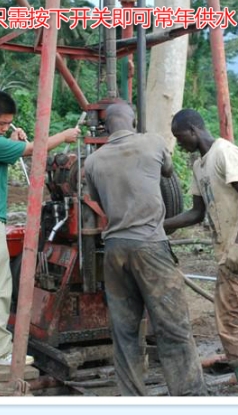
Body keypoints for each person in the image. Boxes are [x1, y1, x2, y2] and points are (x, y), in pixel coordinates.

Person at [84, 103, 207, 396]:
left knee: (125, 333)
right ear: (134, 121)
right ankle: (191, 397)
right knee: (173, 327)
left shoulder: (93, 161)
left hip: (115, 250)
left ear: (105, 127)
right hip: (151, 246)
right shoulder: (152, 142)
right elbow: (167, 172)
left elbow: (98, 201)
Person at [0, 91, 80, 367]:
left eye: (8, 125)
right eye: (1, 124)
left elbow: (0, 155)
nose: (5, 129)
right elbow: (33, 150)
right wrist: (64, 136)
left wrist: (8, 140)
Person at [163, 108, 238, 396]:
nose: (181, 144)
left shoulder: (224, 152)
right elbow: (196, 212)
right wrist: (159, 225)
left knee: (229, 321)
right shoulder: (199, 166)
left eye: (180, 137)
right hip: (231, 251)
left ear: (193, 130)